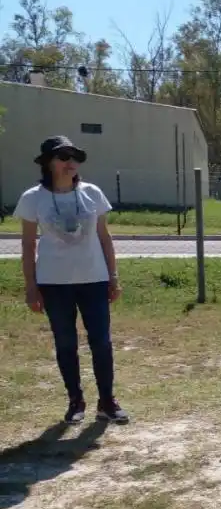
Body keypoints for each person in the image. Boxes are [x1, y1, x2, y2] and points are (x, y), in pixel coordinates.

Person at [14, 135, 129, 424]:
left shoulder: (92, 193)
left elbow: (105, 237)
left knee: (101, 342)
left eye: (74, 157)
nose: (70, 163)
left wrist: (113, 277)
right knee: (66, 343)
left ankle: (107, 402)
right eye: (63, 157)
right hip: (53, 284)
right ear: (49, 164)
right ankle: (75, 400)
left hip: (94, 280)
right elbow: (28, 246)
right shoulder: (32, 198)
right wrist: (31, 287)